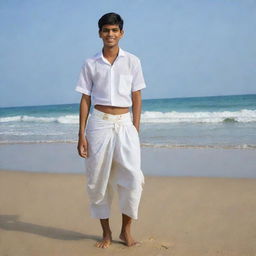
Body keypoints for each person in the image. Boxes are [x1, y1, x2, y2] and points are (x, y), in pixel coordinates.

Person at [75, 12, 146, 248]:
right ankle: (106, 233)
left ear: (121, 33)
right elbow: (85, 99)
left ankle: (126, 231)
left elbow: (137, 96)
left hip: (125, 124)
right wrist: (81, 134)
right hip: (99, 124)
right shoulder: (90, 63)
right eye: (106, 30)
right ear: (100, 33)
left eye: (114, 30)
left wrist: (135, 128)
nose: (110, 34)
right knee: (98, 179)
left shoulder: (133, 61)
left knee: (133, 177)